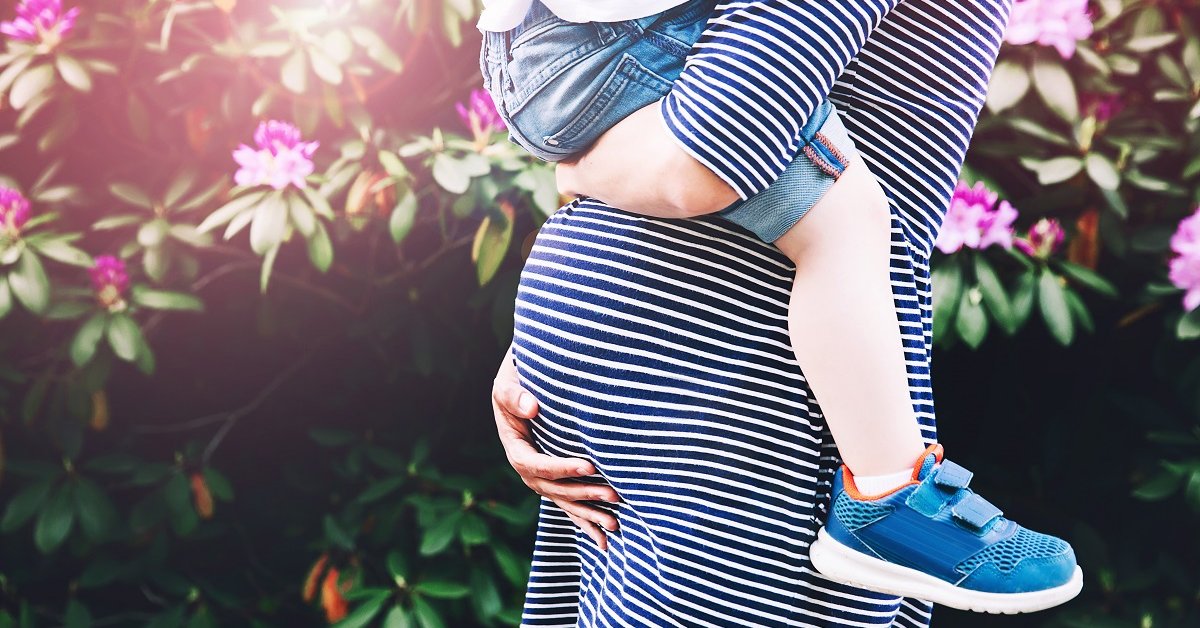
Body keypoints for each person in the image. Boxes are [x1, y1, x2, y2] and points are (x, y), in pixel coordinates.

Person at [482, 0, 1082, 623]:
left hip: (678, 356)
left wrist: (553, 324)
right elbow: (709, 150)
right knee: (844, 221)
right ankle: (887, 496)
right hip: (734, 373)